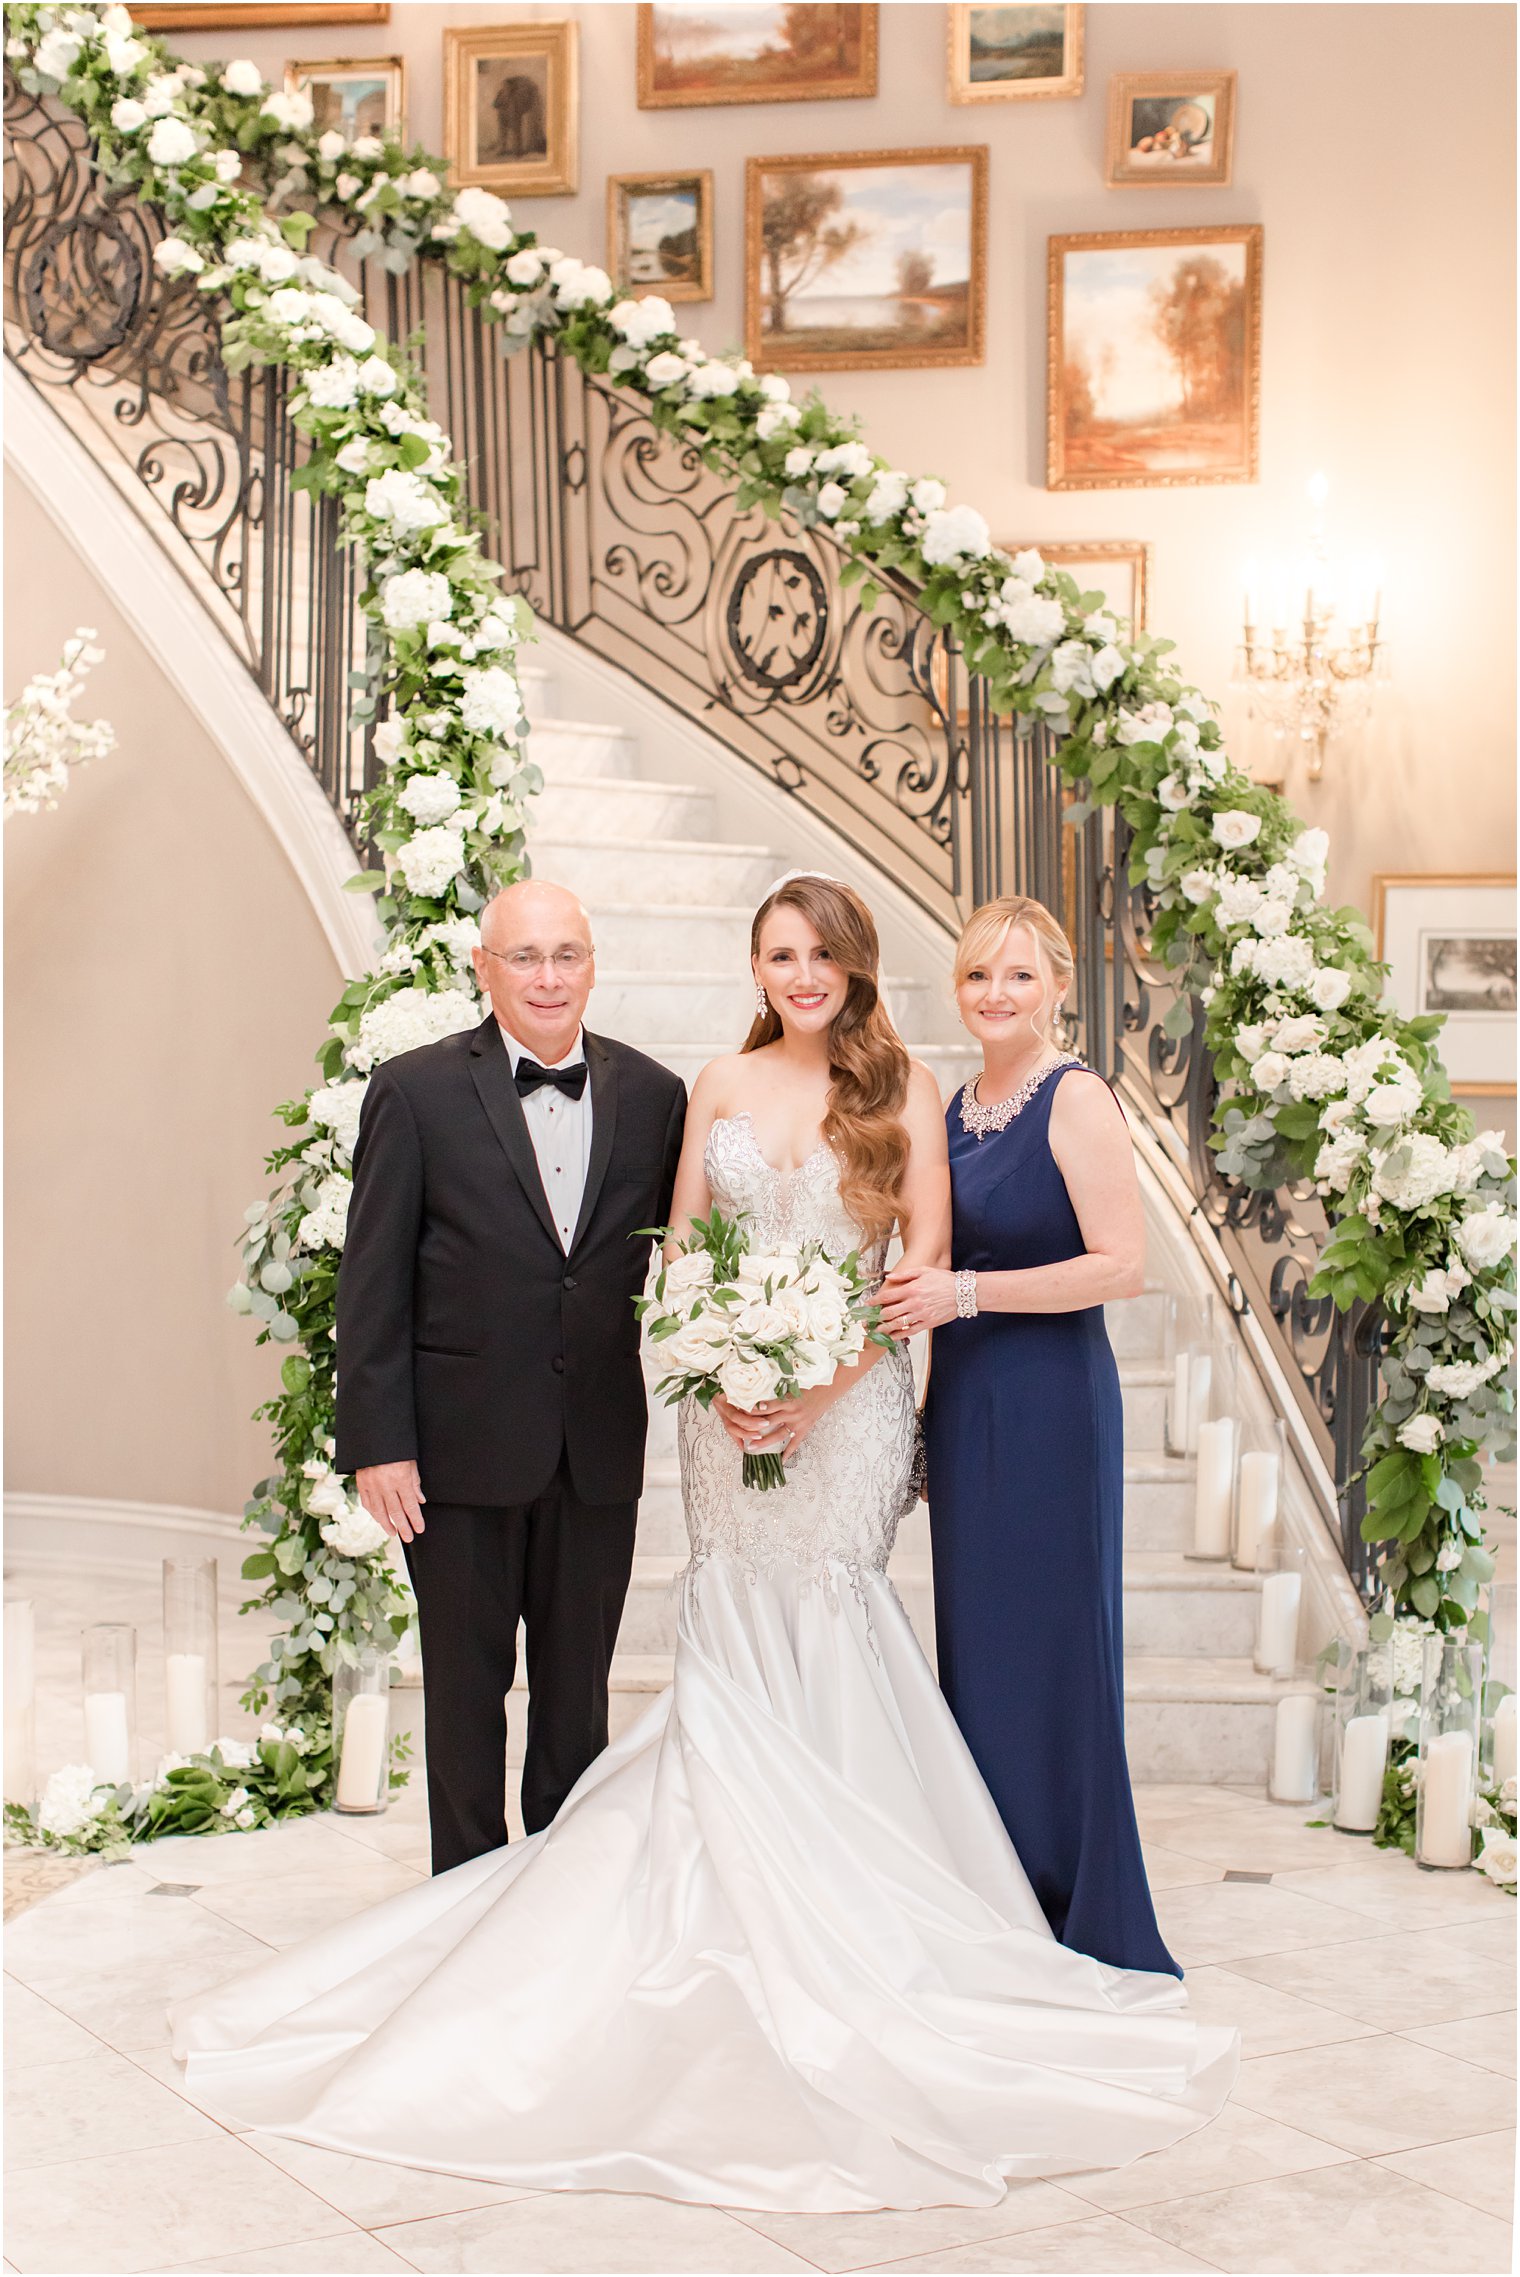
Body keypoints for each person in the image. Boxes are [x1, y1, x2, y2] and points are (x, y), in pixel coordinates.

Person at [170, 874, 1234, 2210]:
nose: (802, 974)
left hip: (846, 1413)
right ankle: (549, 1911)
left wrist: (826, 1382)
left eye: (823, 954)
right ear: (758, 965)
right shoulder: (714, 1089)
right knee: (719, 1632)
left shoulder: (906, 1092)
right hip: (725, 1426)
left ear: (855, 966)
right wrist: (717, 1365)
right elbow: (674, 1256)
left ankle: (859, 1920)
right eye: (780, 953)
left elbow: (917, 1273)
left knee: (828, 1620)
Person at [333, 879, 685, 1873]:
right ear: (483, 969)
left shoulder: (658, 1097)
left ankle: (562, 1911)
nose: (545, 977)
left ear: (591, 964)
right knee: (464, 1699)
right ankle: (464, 1908)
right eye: (522, 956)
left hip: (596, 1452)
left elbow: (685, 1260)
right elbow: (373, 1285)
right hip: (454, 1452)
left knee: (577, 1708)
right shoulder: (413, 1091)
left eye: (564, 954)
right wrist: (378, 1442)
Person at [882, 895, 1179, 1977]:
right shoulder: (954, 1105)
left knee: (1054, 1649)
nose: (994, 996)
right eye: (974, 977)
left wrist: (963, 1293)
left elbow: (1120, 1266)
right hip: (967, 1404)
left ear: (1058, 985)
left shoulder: (1076, 1096)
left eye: (1016, 976)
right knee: (982, 1650)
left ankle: (1078, 1903)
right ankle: (998, 1892)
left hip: (1050, 1403)